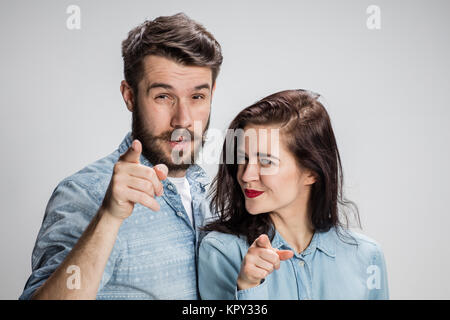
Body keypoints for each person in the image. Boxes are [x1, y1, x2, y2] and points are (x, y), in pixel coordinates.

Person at [19, 12, 223, 300]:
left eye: (197, 97)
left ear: (212, 94)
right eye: (163, 96)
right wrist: (109, 218)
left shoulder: (213, 194)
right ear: (129, 96)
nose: (183, 119)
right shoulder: (85, 193)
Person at [198, 89, 389, 300]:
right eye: (243, 158)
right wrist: (248, 285)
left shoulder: (368, 256)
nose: (246, 175)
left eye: (266, 162)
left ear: (311, 172)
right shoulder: (221, 251)